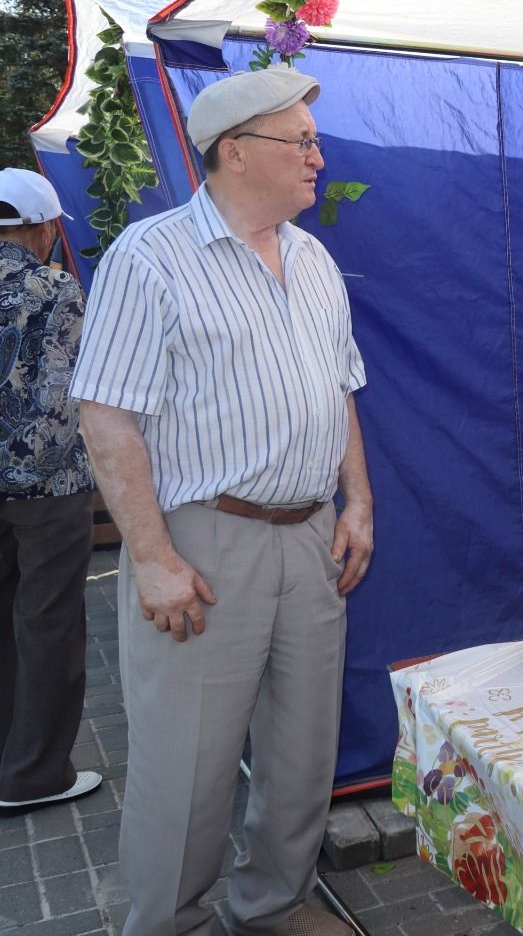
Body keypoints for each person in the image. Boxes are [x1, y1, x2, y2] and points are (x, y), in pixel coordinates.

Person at [71, 67, 372, 936]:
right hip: (204, 544)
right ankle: (169, 924)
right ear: (235, 152)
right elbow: (107, 417)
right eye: (301, 141)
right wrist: (155, 560)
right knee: (187, 763)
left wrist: (358, 504)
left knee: (302, 746)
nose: (319, 156)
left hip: (311, 535)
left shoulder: (312, 259)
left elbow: (339, 388)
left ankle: (275, 906)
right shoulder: (151, 257)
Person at [0, 169, 99, 815]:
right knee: (47, 626)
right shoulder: (55, 287)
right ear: (41, 230)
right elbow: (62, 399)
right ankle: (34, 776)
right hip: (45, 488)